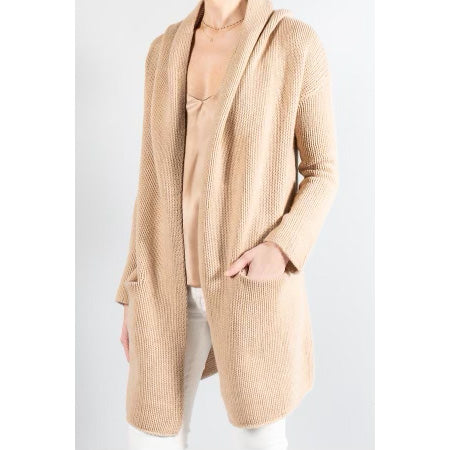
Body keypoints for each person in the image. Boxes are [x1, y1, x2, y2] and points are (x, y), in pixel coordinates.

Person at [116, 0, 338, 448]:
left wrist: (280, 249)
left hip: (249, 284)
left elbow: (322, 171)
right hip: (164, 288)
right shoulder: (163, 50)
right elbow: (151, 181)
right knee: (149, 436)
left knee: (259, 434)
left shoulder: (293, 44)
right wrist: (131, 289)